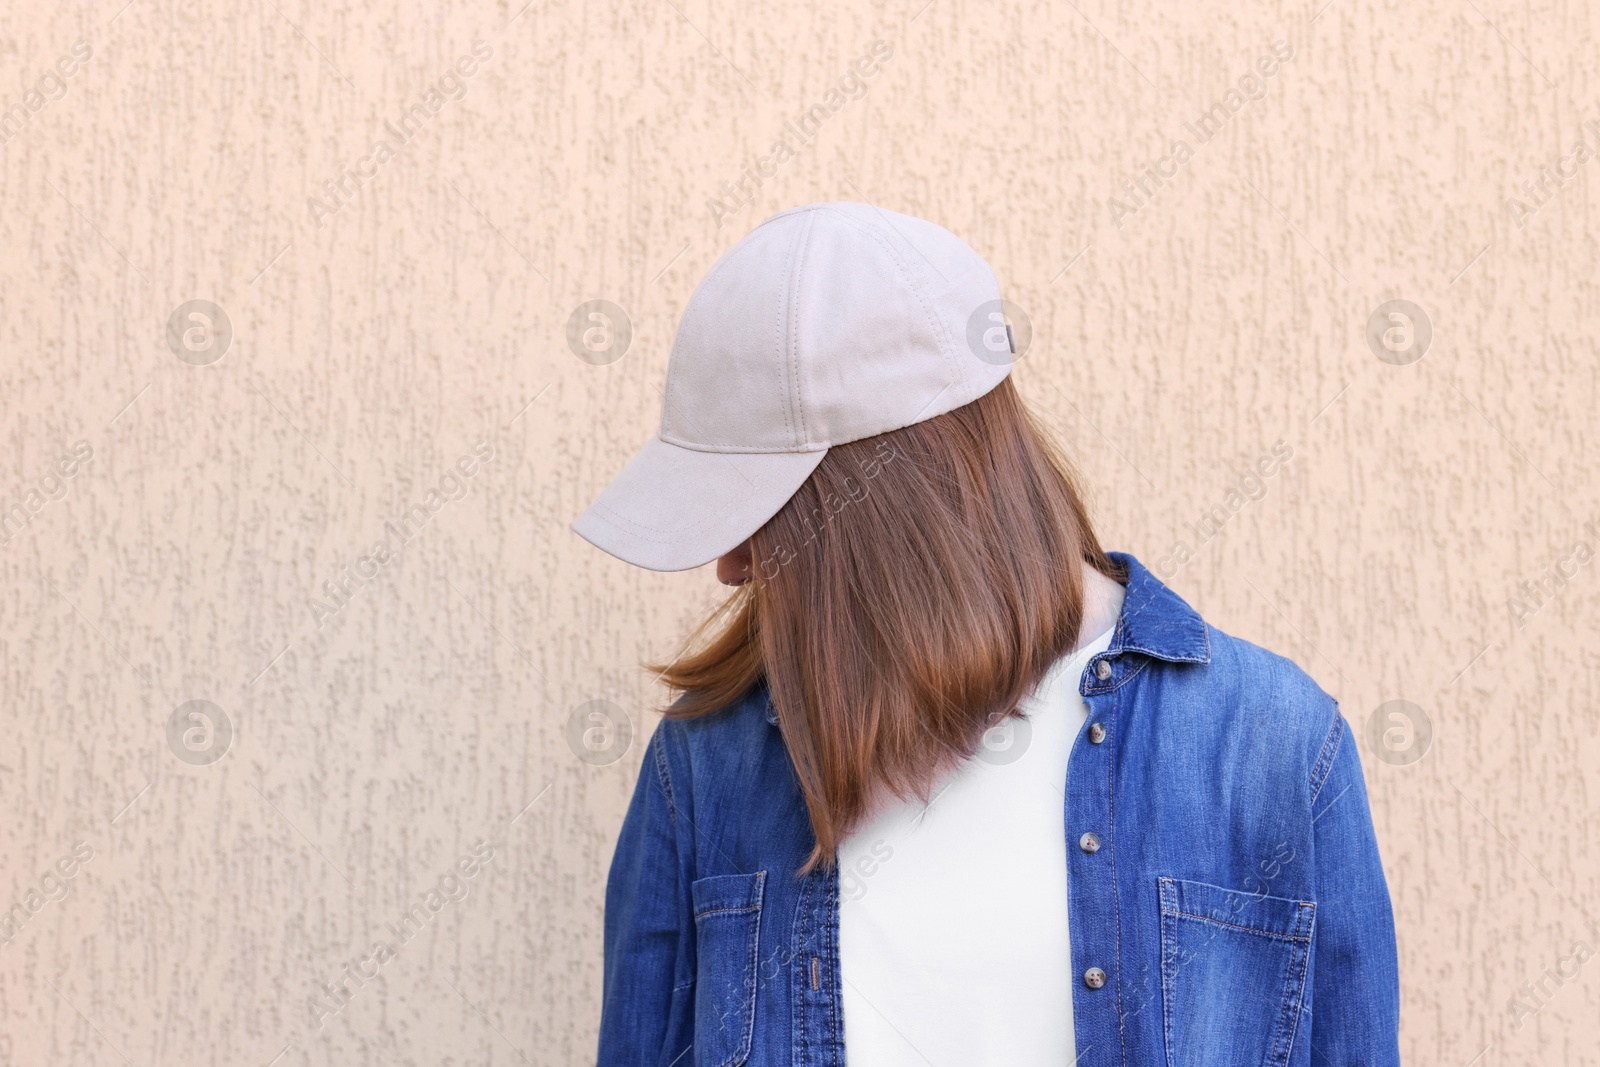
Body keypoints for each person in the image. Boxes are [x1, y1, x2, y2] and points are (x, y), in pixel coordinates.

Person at [575, 202, 1400, 1067]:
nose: (732, 568)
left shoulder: (1274, 747)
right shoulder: (707, 766)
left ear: (888, 511)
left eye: (759, 514)